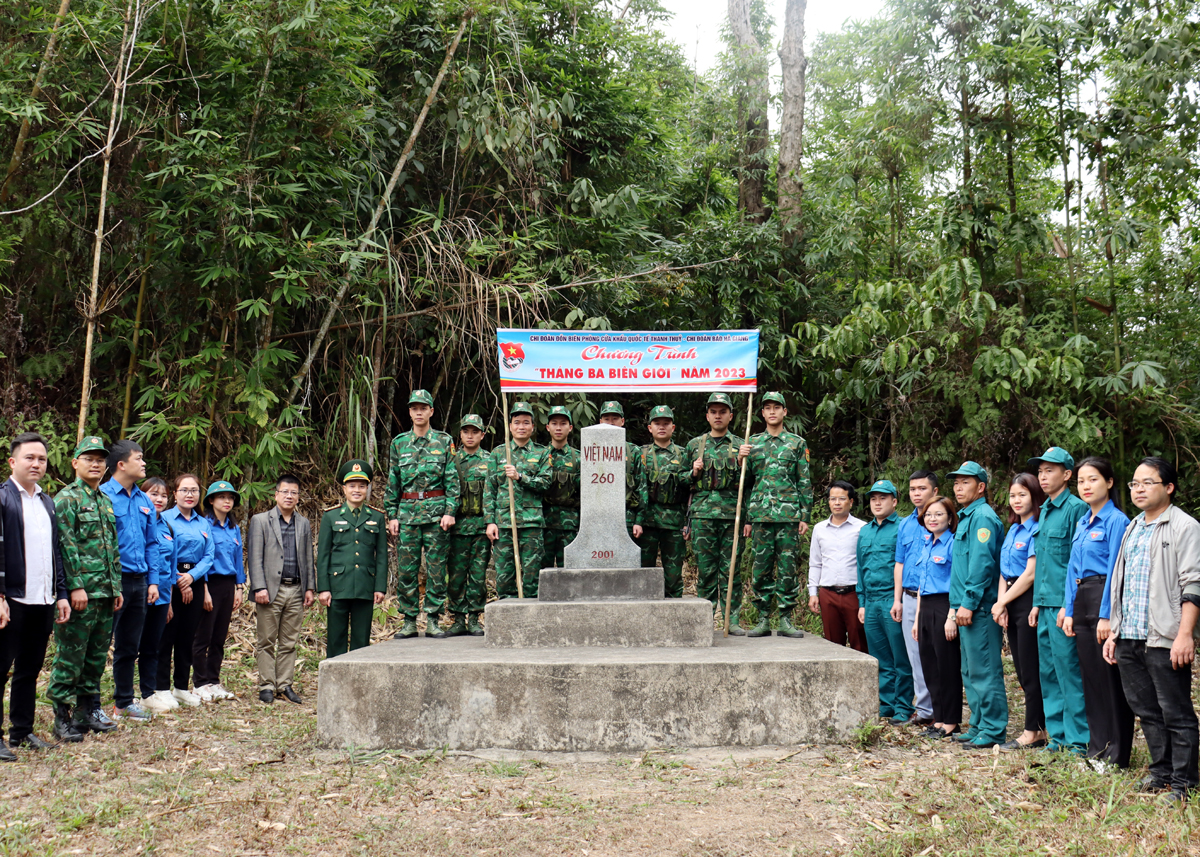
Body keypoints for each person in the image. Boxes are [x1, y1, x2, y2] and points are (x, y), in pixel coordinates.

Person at [1102, 457, 1200, 802]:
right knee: (1146, 710)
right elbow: (1123, 584)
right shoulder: (1133, 527)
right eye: (1134, 483)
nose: (1138, 489)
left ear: (1169, 487)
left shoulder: (1185, 527)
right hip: (1131, 634)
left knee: (1176, 711)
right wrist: (1115, 631)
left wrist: (1185, 635)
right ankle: (1162, 772)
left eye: (1147, 483)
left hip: (1165, 636)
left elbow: (1194, 584)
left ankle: (1185, 782)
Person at [0, 432, 70, 757]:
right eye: (29, 457)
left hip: (42, 599)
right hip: (11, 599)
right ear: (13, 461)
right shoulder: (2, 498)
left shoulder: (46, 501)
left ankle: (22, 732)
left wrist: (62, 594)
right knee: (1, 668)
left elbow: (55, 553)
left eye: (41, 459)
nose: (36, 464)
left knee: (29, 669)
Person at [1061, 456, 1134, 769]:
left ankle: (1116, 753)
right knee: (1090, 678)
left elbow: (1118, 571)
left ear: (1109, 482)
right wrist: (1067, 608)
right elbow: (1072, 570)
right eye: (1081, 481)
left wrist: (1107, 615)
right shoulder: (1082, 522)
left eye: (1092, 479)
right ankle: (1097, 750)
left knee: (1110, 680)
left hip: (1105, 597)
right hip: (1081, 600)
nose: (1086, 486)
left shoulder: (1117, 521)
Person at [1027, 446, 1089, 755]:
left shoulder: (1075, 508)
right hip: (1045, 602)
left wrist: (1070, 606)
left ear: (1067, 475)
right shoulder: (1046, 510)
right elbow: (1046, 562)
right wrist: (1037, 602)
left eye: (1049, 470)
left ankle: (1078, 740)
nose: (1043, 476)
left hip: (1065, 605)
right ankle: (1058, 738)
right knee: (1048, 672)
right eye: (1040, 471)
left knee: (1069, 672)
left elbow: (1076, 563)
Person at [385, 390, 460, 639]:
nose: (418, 412)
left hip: (436, 516)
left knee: (436, 570)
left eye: (423, 407)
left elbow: (452, 480)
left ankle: (432, 619)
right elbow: (393, 481)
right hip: (407, 516)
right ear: (409, 412)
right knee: (407, 569)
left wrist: (450, 512)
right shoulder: (399, 443)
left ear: (431, 411)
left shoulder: (444, 440)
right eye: (414, 407)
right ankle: (408, 620)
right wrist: (392, 514)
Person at [101, 439, 167, 722]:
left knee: (130, 645)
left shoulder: (143, 500)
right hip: (111, 582)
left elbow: (152, 543)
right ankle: (89, 706)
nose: (143, 463)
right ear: (121, 464)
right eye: (138, 458)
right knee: (99, 645)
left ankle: (124, 703)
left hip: (140, 582)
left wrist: (153, 582)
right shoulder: (102, 495)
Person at [737, 392, 812, 638]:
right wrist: (741, 459)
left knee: (788, 567)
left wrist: (805, 515)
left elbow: (804, 480)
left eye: (776, 407)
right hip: (760, 515)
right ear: (761, 413)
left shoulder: (797, 443)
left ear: (784, 412)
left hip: (788, 515)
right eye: (767, 407)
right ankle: (763, 618)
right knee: (760, 568)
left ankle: (785, 619)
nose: (772, 411)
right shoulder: (753, 443)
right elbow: (746, 484)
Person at [945, 461, 1008, 749]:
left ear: (981, 487)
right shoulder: (967, 517)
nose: (959, 487)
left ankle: (994, 729)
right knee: (970, 671)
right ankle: (979, 724)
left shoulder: (983, 517)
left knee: (985, 670)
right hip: (964, 607)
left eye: (965, 482)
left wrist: (968, 603)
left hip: (979, 608)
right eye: (956, 483)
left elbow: (982, 565)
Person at [991, 473, 1048, 751]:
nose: (1016, 500)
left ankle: (1034, 730)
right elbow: (1004, 571)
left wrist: (1003, 602)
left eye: (1022, 495)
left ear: (1035, 496)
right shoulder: (1012, 529)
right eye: (1013, 495)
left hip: (1027, 600)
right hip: (1010, 599)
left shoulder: (1037, 528)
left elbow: (1030, 574)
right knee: (1021, 667)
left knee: (1030, 668)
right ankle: (1039, 725)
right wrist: (1001, 603)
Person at [248, 474, 314, 704]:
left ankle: (284, 684)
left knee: (289, 641)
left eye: (293, 492)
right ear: (276, 494)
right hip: (270, 590)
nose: (289, 496)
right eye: (284, 491)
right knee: (266, 640)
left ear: (298, 497)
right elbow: (255, 557)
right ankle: (266, 685)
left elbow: (307, 558)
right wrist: (259, 587)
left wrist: (310, 588)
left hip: (295, 589)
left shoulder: (303, 523)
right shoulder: (260, 520)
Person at [685, 393, 747, 633]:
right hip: (702, 515)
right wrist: (692, 471)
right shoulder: (694, 445)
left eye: (723, 411)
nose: (718, 416)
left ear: (730, 415)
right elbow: (682, 482)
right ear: (707, 415)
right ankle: (705, 620)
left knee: (731, 570)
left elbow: (750, 484)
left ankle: (732, 620)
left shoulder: (741, 445)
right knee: (706, 570)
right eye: (714, 411)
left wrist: (742, 463)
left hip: (732, 515)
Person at [856, 480, 913, 722]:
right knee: (880, 658)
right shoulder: (865, 531)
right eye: (873, 499)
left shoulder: (904, 527)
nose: (877, 503)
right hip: (871, 602)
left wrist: (898, 599)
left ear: (895, 501)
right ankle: (887, 704)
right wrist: (862, 602)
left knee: (901, 657)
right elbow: (860, 567)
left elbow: (905, 565)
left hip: (893, 599)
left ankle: (903, 706)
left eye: (883, 498)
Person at [318, 460, 387, 656]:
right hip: (338, 587)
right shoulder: (330, 517)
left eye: (361, 486)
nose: (357, 490)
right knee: (336, 638)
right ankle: (334, 682)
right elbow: (323, 555)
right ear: (344, 488)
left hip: (365, 587)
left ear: (367, 488)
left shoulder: (377, 517)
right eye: (352, 486)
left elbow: (381, 555)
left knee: (361, 640)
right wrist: (323, 588)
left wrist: (380, 587)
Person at [157, 474, 214, 706]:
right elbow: (163, 551)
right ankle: (160, 688)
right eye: (184, 490)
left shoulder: (203, 522)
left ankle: (181, 687)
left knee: (187, 636)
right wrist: (179, 579)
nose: (189, 495)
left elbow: (209, 556)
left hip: (195, 579)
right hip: (170, 580)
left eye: (194, 490)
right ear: (175, 494)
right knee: (166, 636)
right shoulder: (165, 518)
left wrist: (191, 577)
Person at [485, 401, 550, 600]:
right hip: (504, 523)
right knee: (504, 576)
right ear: (510, 426)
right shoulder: (498, 453)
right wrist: (490, 522)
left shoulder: (542, 452)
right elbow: (490, 489)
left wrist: (520, 477)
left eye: (526, 422)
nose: (521, 427)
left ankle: (532, 619)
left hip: (531, 523)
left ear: (532, 426)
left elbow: (546, 483)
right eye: (517, 422)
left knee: (532, 578)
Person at [890, 470, 940, 726]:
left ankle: (940, 710)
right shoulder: (906, 524)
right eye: (912, 489)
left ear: (935, 491)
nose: (916, 494)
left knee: (936, 655)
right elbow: (899, 563)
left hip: (934, 599)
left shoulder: (942, 520)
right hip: (908, 597)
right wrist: (897, 599)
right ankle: (924, 710)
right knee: (915, 655)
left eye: (922, 488)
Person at [911, 496, 962, 738]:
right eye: (929, 514)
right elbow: (921, 585)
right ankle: (939, 719)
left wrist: (952, 616)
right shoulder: (927, 543)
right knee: (930, 666)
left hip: (945, 606)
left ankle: (952, 721)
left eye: (939, 514)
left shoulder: (953, 544)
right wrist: (917, 618)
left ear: (950, 518)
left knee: (947, 666)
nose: (932, 518)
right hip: (926, 608)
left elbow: (957, 583)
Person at [192, 479, 243, 701]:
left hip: (228, 585)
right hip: (209, 583)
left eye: (230, 497)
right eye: (221, 497)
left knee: (220, 636)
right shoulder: (204, 525)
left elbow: (238, 559)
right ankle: (200, 682)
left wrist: (240, 587)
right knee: (203, 635)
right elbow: (200, 558)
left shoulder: (234, 528)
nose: (226, 501)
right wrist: (204, 589)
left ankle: (214, 680)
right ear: (211, 500)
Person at [638, 405, 690, 599]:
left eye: (666, 423)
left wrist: (688, 522)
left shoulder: (684, 454)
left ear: (673, 427)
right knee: (643, 573)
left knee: (674, 575)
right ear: (650, 428)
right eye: (657, 423)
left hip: (674, 521)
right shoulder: (640, 454)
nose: (662, 427)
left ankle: (674, 616)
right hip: (647, 521)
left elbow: (690, 490)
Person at [807, 481, 866, 651]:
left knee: (860, 641)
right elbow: (815, 563)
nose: (837, 503)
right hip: (828, 594)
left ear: (851, 501)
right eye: (833, 499)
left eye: (842, 499)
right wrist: (813, 593)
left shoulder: (862, 528)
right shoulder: (819, 529)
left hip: (854, 593)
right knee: (832, 643)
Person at [137, 477, 179, 713]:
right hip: (139, 593)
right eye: (154, 494)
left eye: (163, 495)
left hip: (162, 596)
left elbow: (171, 568)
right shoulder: (138, 523)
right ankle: (123, 697)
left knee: (153, 646)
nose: (159, 499)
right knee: (131, 646)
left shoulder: (167, 526)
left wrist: (170, 600)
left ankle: (148, 693)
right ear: (143, 496)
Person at [449, 415, 490, 636]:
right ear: (461, 435)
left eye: (475, 432)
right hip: (457, 527)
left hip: (481, 527)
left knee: (478, 575)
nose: (470, 436)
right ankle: (457, 619)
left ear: (482, 435)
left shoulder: (490, 460)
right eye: (466, 432)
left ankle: (474, 618)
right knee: (456, 575)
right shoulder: (453, 461)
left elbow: (493, 493)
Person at [597, 401, 646, 541]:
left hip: (627, 518)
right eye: (606, 419)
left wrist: (639, 521)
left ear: (622, 421)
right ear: (600, 422)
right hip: (598, 517)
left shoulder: (633, 452)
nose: (611, 423)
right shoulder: (592, 449)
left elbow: (641, 487)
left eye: (615, 419)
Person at [541, 405, 580, 573]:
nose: (558, 427)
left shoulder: (579, 457)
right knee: (542, 572)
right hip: (543, 523)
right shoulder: (539, 455)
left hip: (569, 523)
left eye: (563, 423)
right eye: (554, 423)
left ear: (570, 428)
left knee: (570, 572)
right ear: (547, 427)